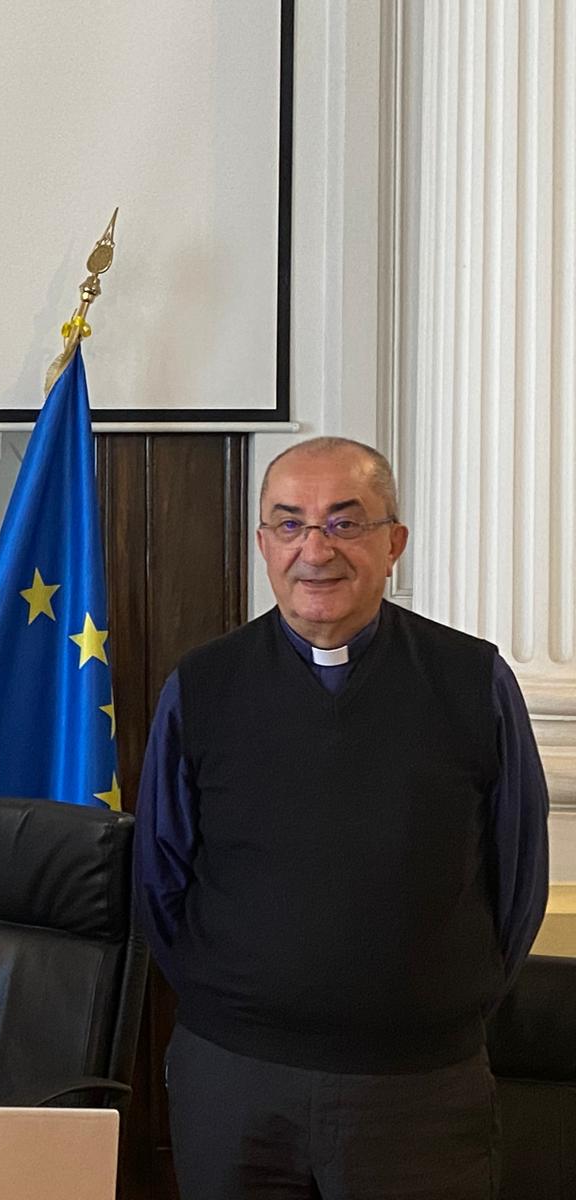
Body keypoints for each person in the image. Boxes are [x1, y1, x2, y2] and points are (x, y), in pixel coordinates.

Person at [135, 436, 549, 1200]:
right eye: (289, 525)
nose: (314, 550)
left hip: (419, 1090)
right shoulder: (203, 686)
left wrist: (433, 1005)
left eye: (344, 524)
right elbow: (160, 877)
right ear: (262, 544)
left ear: (393, 544)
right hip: (236, 1083)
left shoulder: (472, 680)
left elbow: (518, 872)